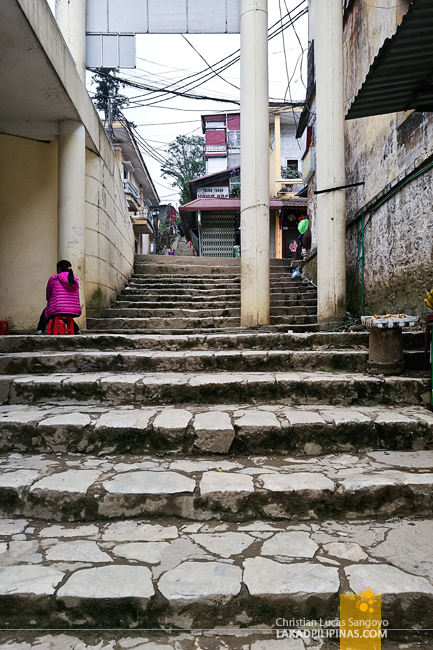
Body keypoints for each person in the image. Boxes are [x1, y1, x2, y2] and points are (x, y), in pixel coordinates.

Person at [35, 260, 82, 334]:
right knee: (65, 312)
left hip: (57, 307)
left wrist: (49, 302)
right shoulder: (74, 280)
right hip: (74, 309)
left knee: (47, 312)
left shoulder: (53, 278)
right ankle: (76, 330)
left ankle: (40, 330)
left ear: (59, 269)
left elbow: (48, 294)